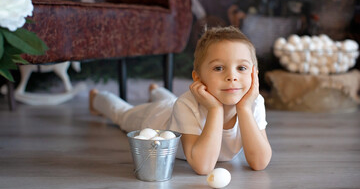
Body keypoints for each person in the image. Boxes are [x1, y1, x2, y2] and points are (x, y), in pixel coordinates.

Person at [89, 26, 272, 175]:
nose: (232, 76)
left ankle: (157, 90)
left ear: (254, 74)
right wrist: (215, 110)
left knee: (173, 100)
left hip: (176, 104)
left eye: (241, 68)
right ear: (198, 78)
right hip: (159, 118)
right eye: (218, 68)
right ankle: (97, 97)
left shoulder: (254, 103)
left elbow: (259, 162)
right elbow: (203, 167)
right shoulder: (185, 105)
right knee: (123, 115)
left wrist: (245, 109)